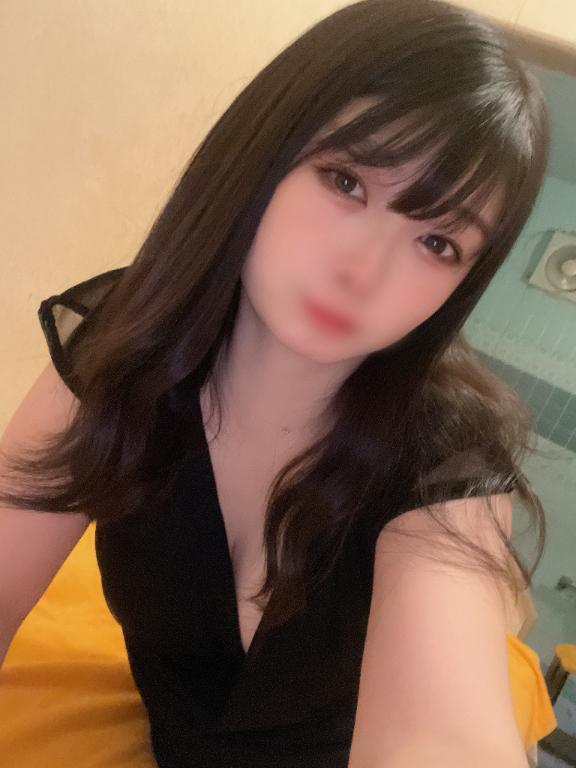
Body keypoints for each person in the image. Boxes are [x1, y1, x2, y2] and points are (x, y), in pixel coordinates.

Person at [0, 0, 550, 766]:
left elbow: (444, 738)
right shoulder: (123, 347)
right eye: (346, 181)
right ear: (266, 148)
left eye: (437, 242)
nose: (363, 273)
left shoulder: (445, 456)